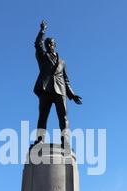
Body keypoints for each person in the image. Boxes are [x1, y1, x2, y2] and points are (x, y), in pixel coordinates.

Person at [33, 20, 82, 148]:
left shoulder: (62, 62)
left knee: (63, 117)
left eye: (51, 43)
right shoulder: (43, 57)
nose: (49, 45)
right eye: (47, 43)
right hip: (46, 90)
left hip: (60, 91)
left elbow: (66, 79)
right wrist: (42, 31)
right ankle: (39, 140)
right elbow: (37, 44)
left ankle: (65, 141)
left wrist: (72, 94)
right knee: (43, 116)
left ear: (55, 45)